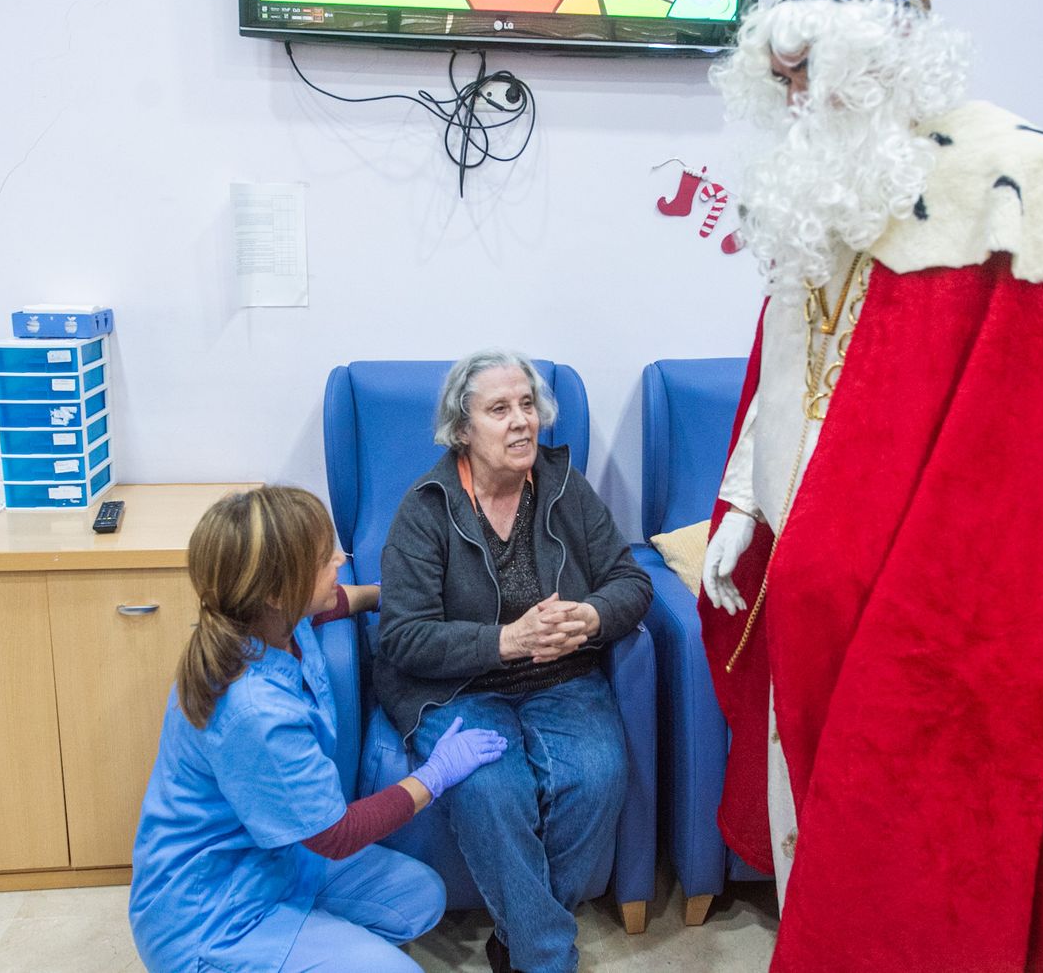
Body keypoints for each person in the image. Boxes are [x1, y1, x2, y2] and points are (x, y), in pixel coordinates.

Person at [697, 0, 1043, 969]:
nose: (797, 93)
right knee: (813, 831)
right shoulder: (825, 187)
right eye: (784, 71)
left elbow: (1023, 469)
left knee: (910, 860)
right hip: (804, 585)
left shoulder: (1023, 182)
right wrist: (747, 509)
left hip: (926, 616)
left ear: (895, 49)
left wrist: (895, 589)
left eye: (814, 67)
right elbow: (786, 369)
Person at [129, 486, 507, 972]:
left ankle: (309, 938)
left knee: (421, 897)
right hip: (212, 915)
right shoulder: (254, 712)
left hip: (274, 861)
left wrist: (389, 598)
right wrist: (434, 776)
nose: (340, 558)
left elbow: (335, 603)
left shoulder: (271, 623)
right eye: (322, 557)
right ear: (275, 591)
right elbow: (335, 835)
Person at [374, 349, 653, 973]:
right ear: (462, 429)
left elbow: (629, 580)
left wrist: (593, 617)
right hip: (457, 688)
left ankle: (520, 935)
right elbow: (404, 636)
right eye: (499, 409)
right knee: (492, 790)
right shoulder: (425, 510)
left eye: (527, 404)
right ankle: (545, 958)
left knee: (599, 775)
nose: (521, 421)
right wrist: (506, 641)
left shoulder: (565, 488)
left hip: (562, 676)